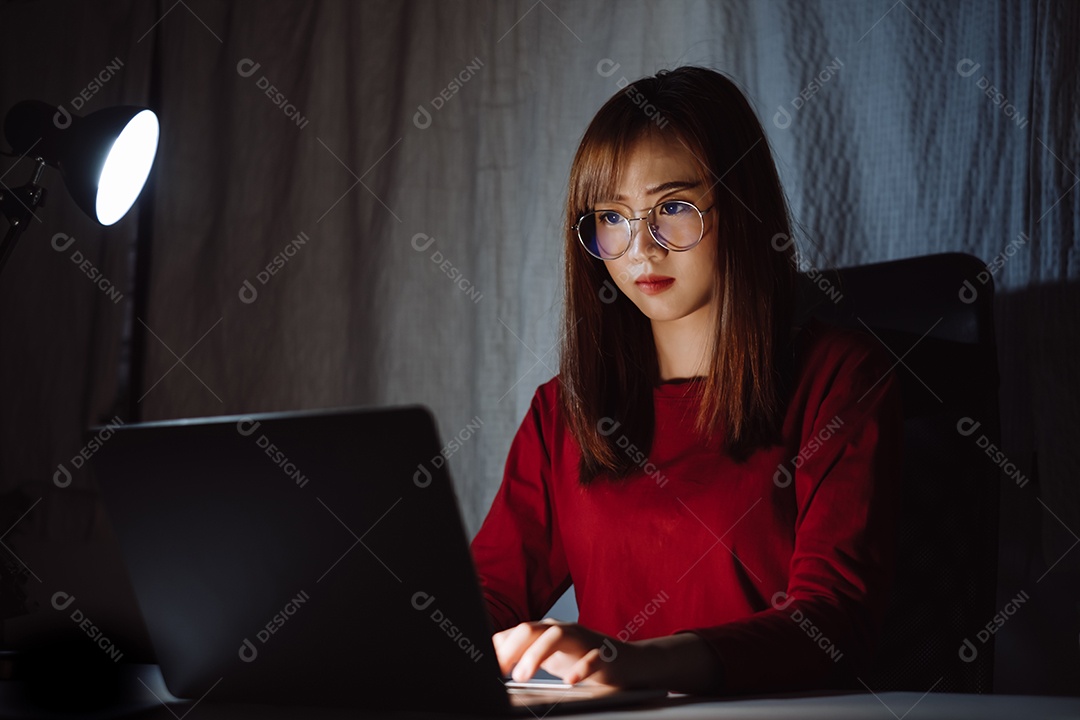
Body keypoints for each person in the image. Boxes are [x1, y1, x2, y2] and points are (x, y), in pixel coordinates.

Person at [470, 66, 902, 695]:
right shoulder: (564, 409)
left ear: (743, 206)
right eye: (612, 217)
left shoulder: (841, 380)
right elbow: (487, 593)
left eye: (672, 207)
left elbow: (831, 622)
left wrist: (639, 662)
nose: (640, 248)